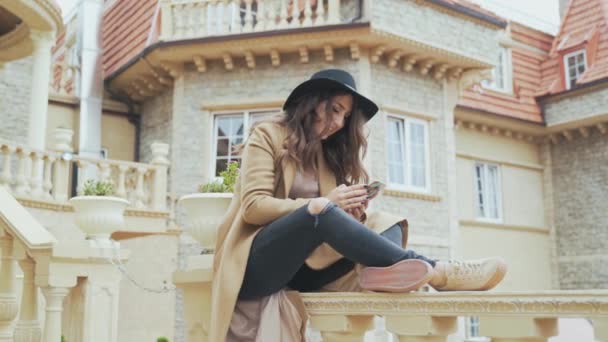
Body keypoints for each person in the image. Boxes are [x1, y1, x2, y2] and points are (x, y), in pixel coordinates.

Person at [209, 69, 507, 341]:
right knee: (320, 211)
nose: (339, 123)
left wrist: (350, 212)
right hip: (258, 265)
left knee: (385, 220)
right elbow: (254, 206)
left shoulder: (326, 155)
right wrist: (324, 204)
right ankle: (438, 271)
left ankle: (381, 272)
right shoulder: (268, 134)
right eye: (336, 110)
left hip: (306, 270)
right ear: (313, 102)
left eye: (345, 117)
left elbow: (328, 218)